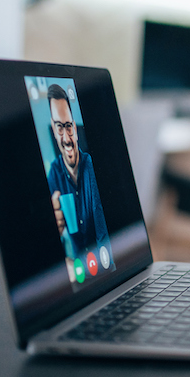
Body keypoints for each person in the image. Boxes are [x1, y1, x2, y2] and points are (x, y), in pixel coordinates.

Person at [46, 83, 112, 281]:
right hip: (78, 273)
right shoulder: (54, 174)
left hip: (103, 267)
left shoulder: (92, 166)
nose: (66, 138)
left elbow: (103, 235)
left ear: (74, 128)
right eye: (59, 128)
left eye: (68, 127)